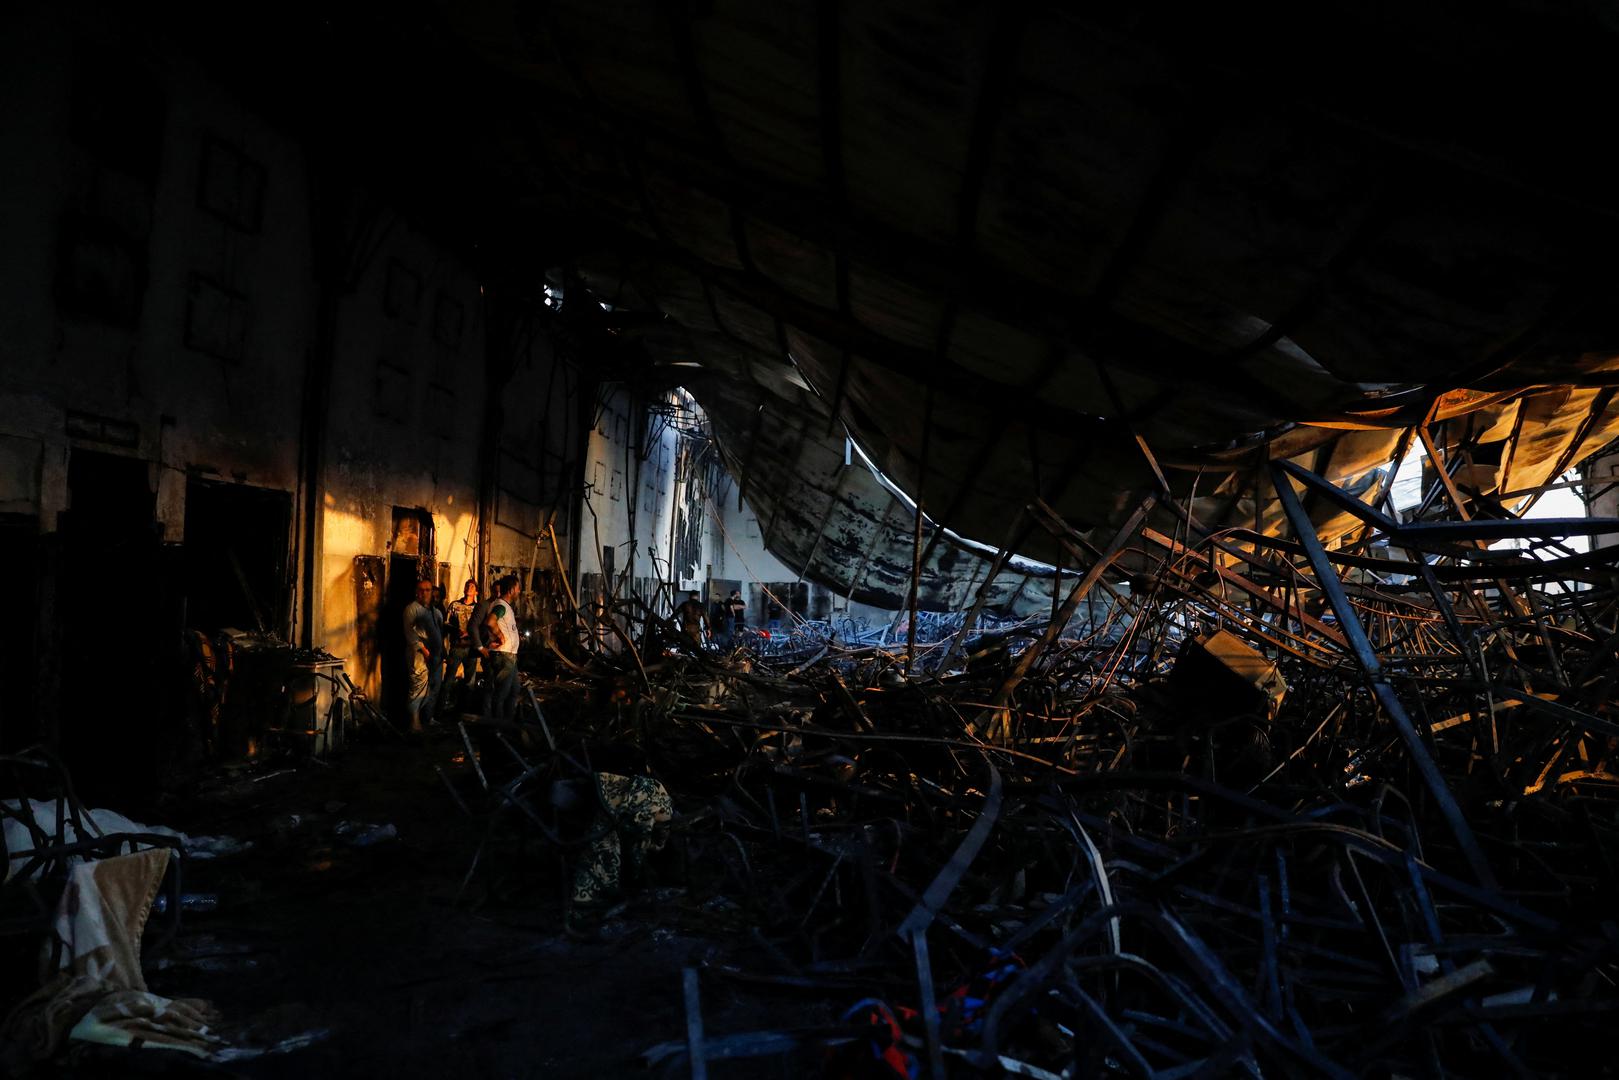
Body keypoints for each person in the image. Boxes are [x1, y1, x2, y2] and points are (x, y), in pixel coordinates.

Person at [478, 574, 521, 719]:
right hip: (504, 656)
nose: (519, 591)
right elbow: (490, 622)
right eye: (517, 588)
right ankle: (498, 728)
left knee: (514, 689)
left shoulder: (504, 606)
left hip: (509, 656)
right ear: (511, 590)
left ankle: (508, 722)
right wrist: (500, 635)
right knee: (502, 694)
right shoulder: (501, 605)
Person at [402, 579, 440, 733]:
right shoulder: (411, 609)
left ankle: (427, 718)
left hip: (434, 653)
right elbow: (410, 633)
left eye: (428, 590)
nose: (425, 593)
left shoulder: (435, 612)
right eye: (421, 590)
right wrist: (423, 650)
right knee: (418, 685)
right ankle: (414, 722)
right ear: (417, 592)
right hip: (417, 653)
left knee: (433, 686)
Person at [441, 579, 480, 709]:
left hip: (471, 649)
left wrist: (469, 634)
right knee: (449, 679)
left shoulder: (478, 608)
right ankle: (441, 707)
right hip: (456, 647)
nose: (469, 588)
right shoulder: (454, 605)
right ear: (464, 589)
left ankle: (465, 710)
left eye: (472, 586)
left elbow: (481, 628)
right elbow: (445, 624)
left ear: (476, 591)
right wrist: (456, 631)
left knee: (470, 682)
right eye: (467, 585)